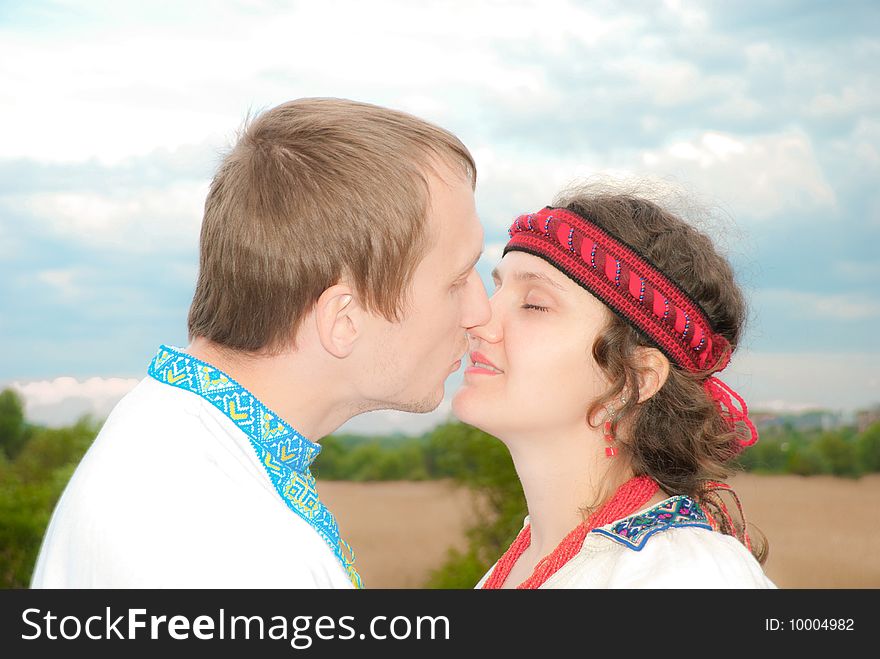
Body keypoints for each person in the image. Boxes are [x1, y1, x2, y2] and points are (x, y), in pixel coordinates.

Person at [30, 98, 490, 589]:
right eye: (458, 279)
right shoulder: (225, 547)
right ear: (345, 319)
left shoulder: (184, 449)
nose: (480, 312)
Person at [452, 185, 776, 588]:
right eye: (497, 288)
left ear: (635, 379)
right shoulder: (526, 561)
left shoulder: (684, 574)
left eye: (534, 303)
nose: (478, 319)